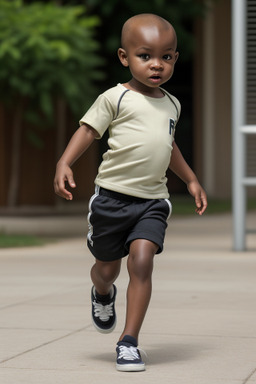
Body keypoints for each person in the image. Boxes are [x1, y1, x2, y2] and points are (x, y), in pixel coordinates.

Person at [54, 13, 207, 372]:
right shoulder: (115, 98)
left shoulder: (172, 104)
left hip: (153, 202)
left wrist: (191, 179)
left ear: (174, 59)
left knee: (142, 262)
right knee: (106, 270)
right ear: (124, 57)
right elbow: (88, 131)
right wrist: (64, 162)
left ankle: (129, 341)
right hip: (111, 199)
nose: (157, 64)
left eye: (166, 56)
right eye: (145, 55)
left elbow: (168, 147)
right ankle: (102, 293)